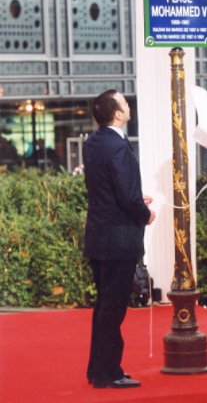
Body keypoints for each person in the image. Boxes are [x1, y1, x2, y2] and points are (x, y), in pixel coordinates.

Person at [83, 89, 156, 389]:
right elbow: (125, 195)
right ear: (117, 114)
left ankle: (98, 369)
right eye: (125, 103)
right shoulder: (117, 146)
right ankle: (107, 372)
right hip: (118, 238)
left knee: (104, 307)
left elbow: (107, 187)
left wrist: (134, 199)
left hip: (100, 235)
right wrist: (144, 212)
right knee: (113, 308)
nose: (129, 106)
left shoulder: (94, 142)